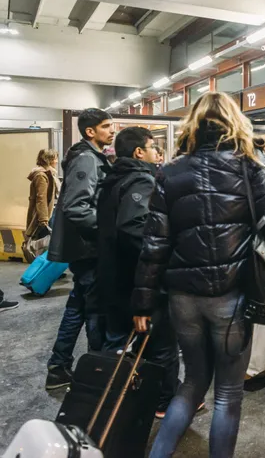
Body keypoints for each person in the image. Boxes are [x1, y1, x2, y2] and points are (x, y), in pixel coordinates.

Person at [131, 92, 265, 458]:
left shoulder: (170, 172)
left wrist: (142, 301)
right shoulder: (250, 167)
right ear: (234, 123)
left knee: (192, 383)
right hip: (231, 295)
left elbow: (154, 244)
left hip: (183, 298)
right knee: (227, 394)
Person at [97, 126, 180, 419]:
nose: (158, 152)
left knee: (121, 342)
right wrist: (162, 253)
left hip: (113, 276)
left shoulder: (112, 177)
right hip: (138, 280)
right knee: (161, 344)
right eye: (153, 147)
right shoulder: (142, 181)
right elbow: (134, 227)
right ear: (138, 153)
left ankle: (116, 397)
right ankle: (165, 401)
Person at [45, 108, 114, 390]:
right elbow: (76, 207)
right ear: (90, 131)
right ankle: (97, 370)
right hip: (89, 249)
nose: (112, 131)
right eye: (106, 126)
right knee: (94, 310)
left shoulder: (89, 157)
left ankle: (59, 366)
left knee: (78, 306)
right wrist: (110, 226)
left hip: (84, 248)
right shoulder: (86, 159)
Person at [23, 148, 60, 261]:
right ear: (48, 160)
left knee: (49, 243)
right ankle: (43, 269)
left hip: (51, 212)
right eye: (55, 158)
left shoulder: (50, 174)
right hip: (46, 215)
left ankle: (49, 269)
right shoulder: (41, 176)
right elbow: (41, 199)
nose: (57, 161)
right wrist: (43, 219)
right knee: (45, 243)